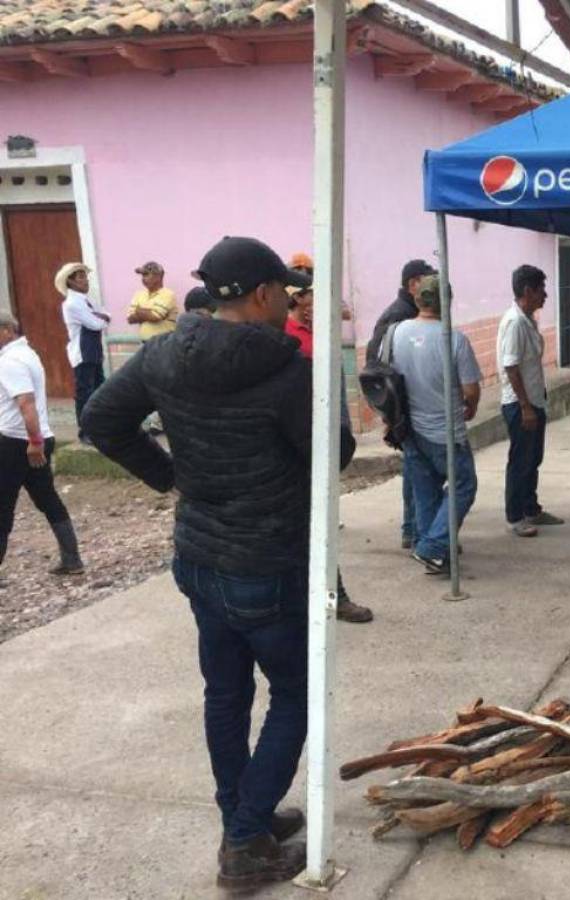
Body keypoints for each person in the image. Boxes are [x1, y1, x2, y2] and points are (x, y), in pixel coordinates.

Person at [81, 236, 356, 890]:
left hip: (200, 558)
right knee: (295, 693)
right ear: (262, 295)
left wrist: (170, 476)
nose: (292, 299)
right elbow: (334, 454)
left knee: (226, 694)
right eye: (285, 290)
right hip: (267, 562)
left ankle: (245, 817)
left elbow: (99, 418)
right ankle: (244, 838)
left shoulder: (161, 355)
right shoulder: (289, 372)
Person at [281, 283, 373, 623]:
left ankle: (334, 600)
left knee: (316, 532)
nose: (312, 300)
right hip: (291, 445)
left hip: (311, 443)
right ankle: (316, 602)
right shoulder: (282, 335)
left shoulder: (318, 331)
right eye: (307, 294)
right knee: (306, 534)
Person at [391, 275, 481, 575]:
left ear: (418, 300)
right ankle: (432, 546)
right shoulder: (454, 339)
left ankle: (428, 546)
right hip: (445, 431)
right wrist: (471, 406)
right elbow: (470, 390)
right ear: (447, 301)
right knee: (463, 485)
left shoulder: (398, 332)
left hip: (410, 427)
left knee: (425, 489)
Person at [0, 311, 84, 578]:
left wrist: (33, 441)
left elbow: (26, 403)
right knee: (46, 497)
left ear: (6, 330)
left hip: (17, 441)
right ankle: (72, 559)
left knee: (3, 504)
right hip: (34, 438)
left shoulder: (11, 361)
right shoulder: (27, 353)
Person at [367, 258, 435, 549]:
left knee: (414, 470)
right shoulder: (398, 318)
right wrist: (390, 415)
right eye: (428, 281)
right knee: (417, 471)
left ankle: (413, 529)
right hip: (405, 409)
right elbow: (377, 369)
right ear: (413, 285)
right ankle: (416, 531)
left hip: (411, 407)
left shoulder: (408, 312)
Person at [498, 264, 563, 537]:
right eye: (541, 290)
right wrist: (525, 406)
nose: (545, 295)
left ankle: (530, 508)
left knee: (533, 458)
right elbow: (511, 367)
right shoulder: (514, 323)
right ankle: (515, 516)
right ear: (528, 291)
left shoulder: (527, 319)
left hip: (535, 401)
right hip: (519, 404)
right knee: (521, 460)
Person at [56, 262, 109, 445]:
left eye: (85, 276)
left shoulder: (87, 300)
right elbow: (96, 323)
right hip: (82, 352)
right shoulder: (71, 304)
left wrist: (101, 317)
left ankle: (99, 426)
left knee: (99, 389)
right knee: (85, 392)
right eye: (80, 277)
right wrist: (101, 318)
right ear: (70, 281)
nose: (85, 280)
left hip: (94, 350)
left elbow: (104, 314)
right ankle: (84, 430)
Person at [126, 261, 178, 340]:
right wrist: (147, 313)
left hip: (163, 344)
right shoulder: (139, 294)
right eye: (142, 275)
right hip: (145, 344)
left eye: (146, 275)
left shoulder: (168, 294)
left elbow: (155, 316)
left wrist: (138, 311)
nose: (143, 279)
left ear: (158, 276)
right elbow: (130, 319)